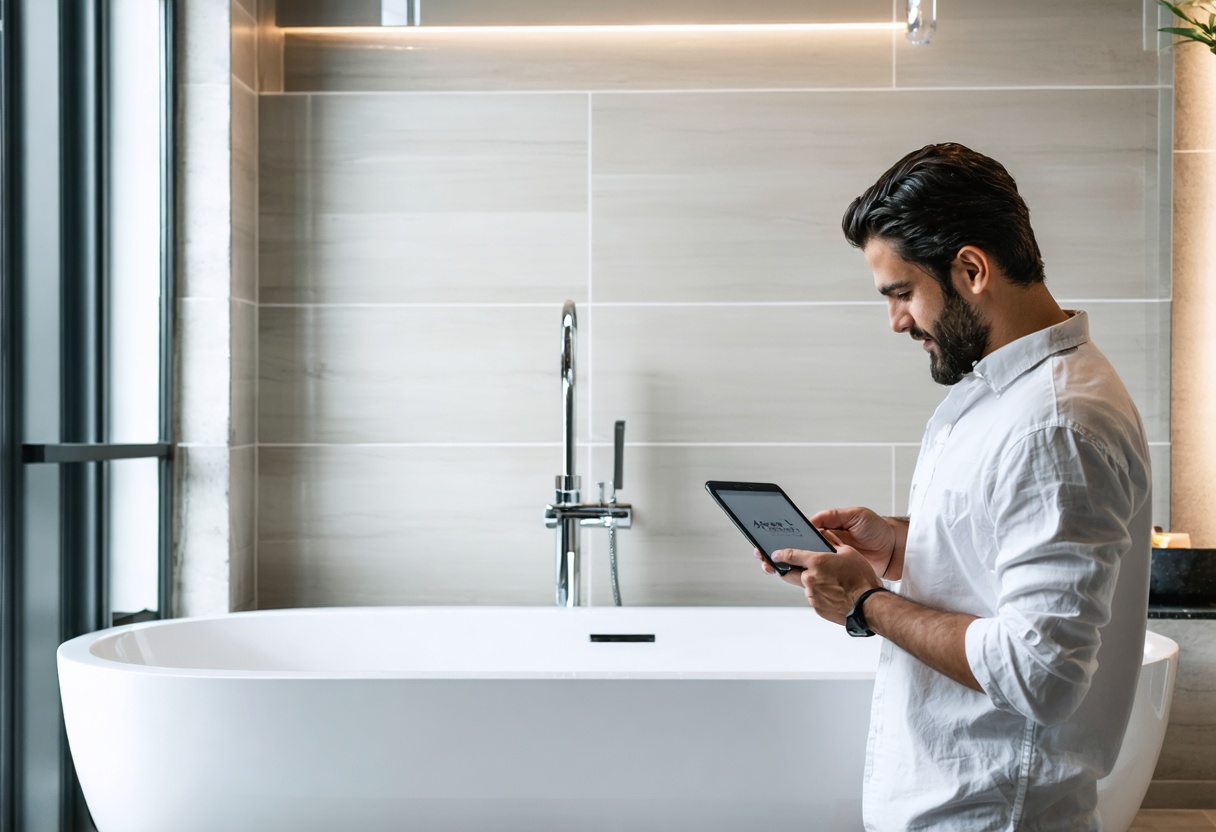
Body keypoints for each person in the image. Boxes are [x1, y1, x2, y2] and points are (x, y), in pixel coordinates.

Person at [759, 143, 1152, 831]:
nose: (896, 321)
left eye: (902, 293)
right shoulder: (1012, 393)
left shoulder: (1055, 425)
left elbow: (1041, 673)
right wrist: (897, 546)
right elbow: (1006, 547)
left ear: (971, 270)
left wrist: (865, 603)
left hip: (991, 815)